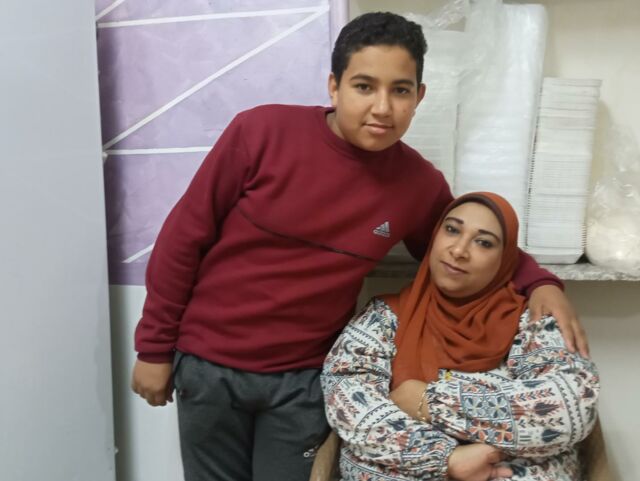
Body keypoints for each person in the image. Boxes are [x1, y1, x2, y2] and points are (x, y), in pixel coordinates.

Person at [131, 12, 588, 481]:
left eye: (400, 90)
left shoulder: (417, 184)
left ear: (419, 97)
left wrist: (541, 282)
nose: (382, 107)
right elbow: (183, 239)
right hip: (208, 366)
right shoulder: (260, 132)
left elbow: (469, 237)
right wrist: (153, 349)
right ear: (334, 86)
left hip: (303, 380)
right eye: (364, 86)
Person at [321, 192, 599, 481]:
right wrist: (448, 458)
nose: (459, 250)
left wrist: (426, 402)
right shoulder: (383, 317)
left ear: (505, 259)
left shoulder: (534, 320)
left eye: (484, 242)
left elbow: (572, 407)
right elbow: (348, 404)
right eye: (452, 230)